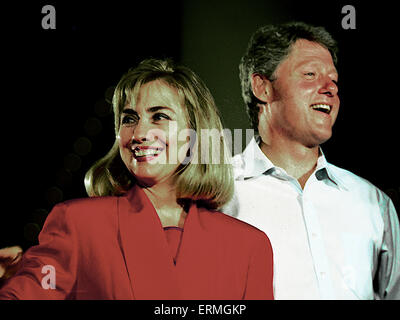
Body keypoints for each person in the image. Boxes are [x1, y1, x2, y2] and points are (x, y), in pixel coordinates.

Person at [0, 59, 273, 300]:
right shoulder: (78, 225)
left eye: (160, 117)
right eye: (129, 118)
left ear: (195, 133)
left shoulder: (249, 247)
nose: (140, 132)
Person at [223, 21, 400, 299]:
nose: (330, 88)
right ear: (263, 88)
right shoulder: (216, 193)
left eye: (334, 80)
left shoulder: (374, 204)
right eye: (310, 74)